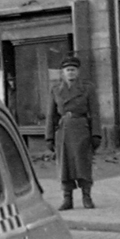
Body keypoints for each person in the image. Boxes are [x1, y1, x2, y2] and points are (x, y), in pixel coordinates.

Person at [46, 56, 100, 210]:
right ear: (63, 73)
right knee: (65, 166)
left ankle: (86, 197)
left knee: (83, 164)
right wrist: (49, 136)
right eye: (67, 70)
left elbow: (95, 112)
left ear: (78, 72)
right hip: (63, 132)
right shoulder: (56, 90)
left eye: (73, 70)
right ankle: (67, 199)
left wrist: (96, 134)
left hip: (82, 129)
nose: (70, 73)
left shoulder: (87, 88)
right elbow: (51, 115)